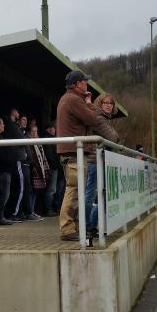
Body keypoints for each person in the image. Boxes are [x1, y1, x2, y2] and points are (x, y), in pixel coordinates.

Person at [56, 70, 96, 241]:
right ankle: (67, 228)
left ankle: (71, 227)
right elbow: (93, 119)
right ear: (77, 84)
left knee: (75, 189)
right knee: (73, 190)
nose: (86, 84)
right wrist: (89, 102)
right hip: (74, 152)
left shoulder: (68, 98)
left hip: (72, 151)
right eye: (84, 81)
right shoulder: (74, 99)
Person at [85, 93, 122, 235]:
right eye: (105, 102)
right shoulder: (99, 118)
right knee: (90, 194)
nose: (108, 105)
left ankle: (92, 224)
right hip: (94, 161)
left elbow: (116, 138)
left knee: (106, 195)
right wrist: (115, 137)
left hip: (102, 161)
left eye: (111, 103)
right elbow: (113, 138)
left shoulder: (105, 119)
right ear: (99, 104)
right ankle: (87, 226)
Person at [0, 117, 16, 225]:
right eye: (2, 123)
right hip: (2, 171)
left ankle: (1, 216)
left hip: (6, 170)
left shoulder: (0, 137)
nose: (4, 125)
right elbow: (1, 156)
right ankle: (0, 217)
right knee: (3, 195)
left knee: (4, 195)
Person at [42, 122, 60, 216]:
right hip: (52, 168)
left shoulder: (51, 139)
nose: (55, 130)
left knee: (53, 189)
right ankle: (48, 209)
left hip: (53, 167)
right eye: (53, 128)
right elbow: (50, 155)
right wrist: (55, 165)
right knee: (51, 190)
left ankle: (52, 208)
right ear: (48, 129)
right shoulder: (48, 139)